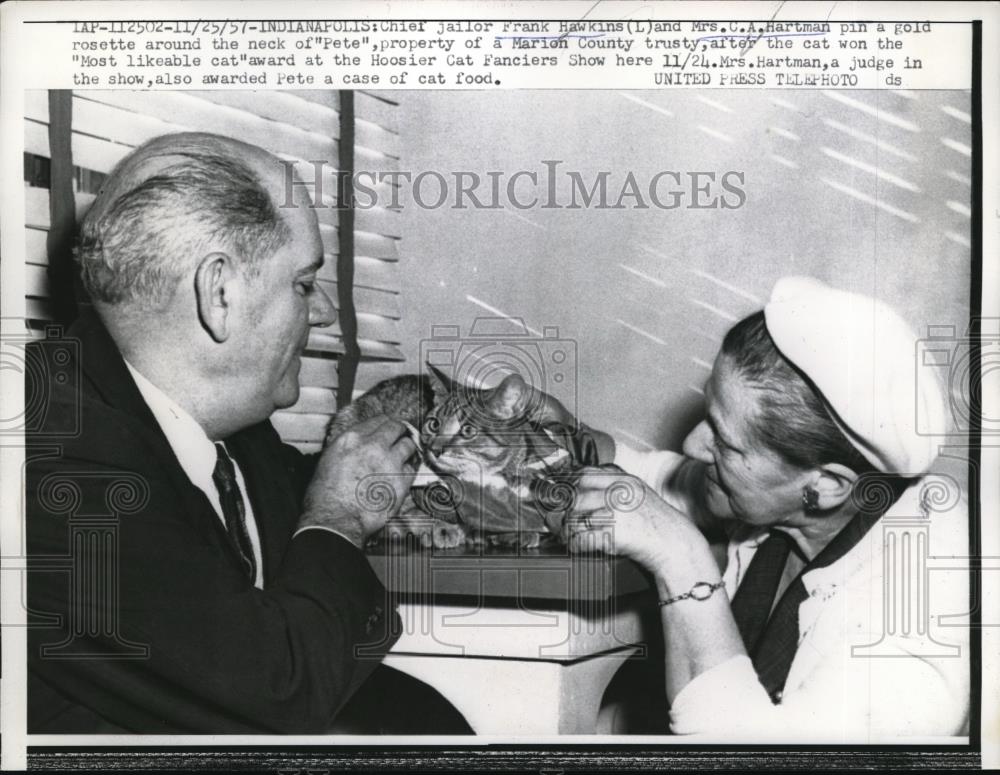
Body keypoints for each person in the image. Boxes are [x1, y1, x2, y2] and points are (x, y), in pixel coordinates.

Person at [26, 132, 418, 733]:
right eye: (305, 283)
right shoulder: (49, 460)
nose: (326, 314)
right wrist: (340, 511)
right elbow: (281, 688)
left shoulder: (227, 432)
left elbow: (314, 495)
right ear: (220, 293)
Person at [544, 276, 970, 739]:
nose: (692, 443)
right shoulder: (795, 504)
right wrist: (564, 433)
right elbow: (665, 479)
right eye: (709, 415)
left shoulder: (917, 633)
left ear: (827, 485)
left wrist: (682, 557)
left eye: (725, 442)